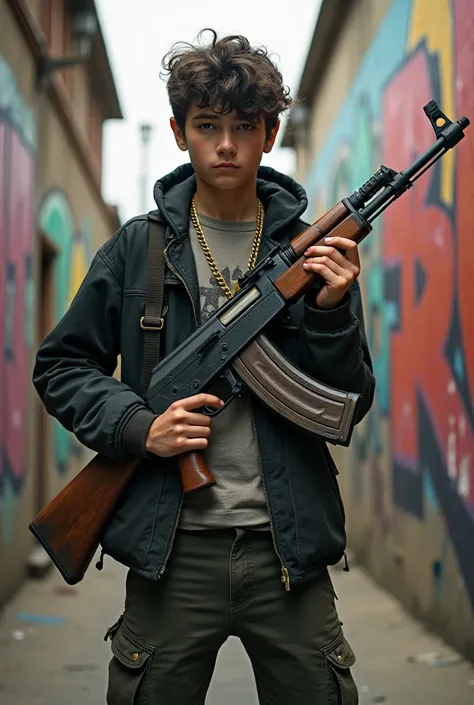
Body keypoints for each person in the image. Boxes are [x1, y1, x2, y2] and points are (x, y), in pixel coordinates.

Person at [33, 28, 375, 705]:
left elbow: (346, 401)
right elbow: (63, 365)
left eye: (244, 126)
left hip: (289, 550)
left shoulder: (312, 260)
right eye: (208, 125)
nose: (225, 144)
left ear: (270, 134)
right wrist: (139, 426)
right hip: (173, 551)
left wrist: (333, 310)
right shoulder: (139, 249)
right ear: (179, 131)